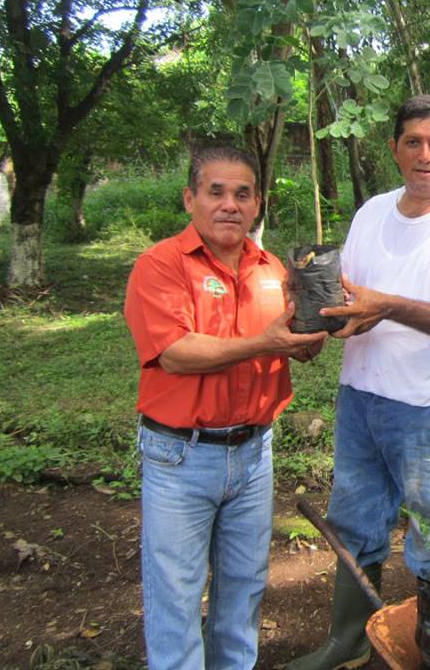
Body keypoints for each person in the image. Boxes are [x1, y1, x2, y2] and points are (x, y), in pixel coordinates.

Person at [288, 94, 430, 670]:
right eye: (412, 142)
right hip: (360, 397)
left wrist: (389, 306)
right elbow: (351, 295)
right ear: (394, 149)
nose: (425, 155)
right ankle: (348, 641)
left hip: (427, 410)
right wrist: (316, 322)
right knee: (353, 521)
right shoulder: (371, 213)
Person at [124, 146, 328, 670]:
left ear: (257, 203)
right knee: (176, 599)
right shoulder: (162, 265)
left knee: (243, 593)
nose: (229, 205)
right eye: (215, 192)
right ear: (190, 198)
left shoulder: (272, 268)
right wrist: (265, 342)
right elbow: (175, 353)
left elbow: (293, 345)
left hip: (254, 455)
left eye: (242, 194)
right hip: (180, 458)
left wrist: (312, 335)